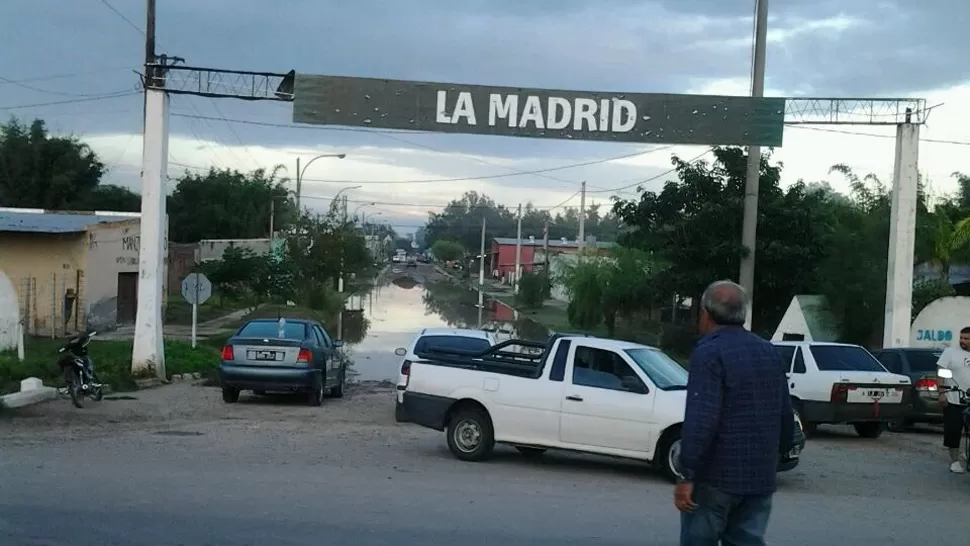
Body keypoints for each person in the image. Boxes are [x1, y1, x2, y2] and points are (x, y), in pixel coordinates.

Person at [676, 280, 794, 546]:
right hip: (759, 478)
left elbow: (702, 419)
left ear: (705, 314)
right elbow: (785, 414)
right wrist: (776, 457)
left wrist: (687, 475)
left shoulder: (709, 352)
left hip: (716, 479)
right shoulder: (769, 352)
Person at [936, 326, 970, 474]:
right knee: (953, 431)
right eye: (962, 337)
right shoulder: (950, 352)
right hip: (954, 398)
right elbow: (940, 373)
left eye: (967, 339)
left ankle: (967, 454)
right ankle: (954, 461)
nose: (963, 341)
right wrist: (941, 393)